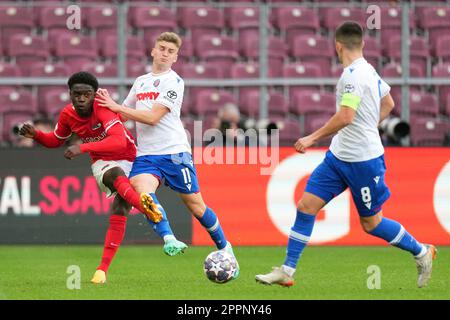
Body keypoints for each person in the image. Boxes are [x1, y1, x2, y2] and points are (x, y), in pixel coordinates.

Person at [255, 21, 436, 288]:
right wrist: (369, 126)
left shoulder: (352, 75)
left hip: (364, 161)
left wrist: (312, 137)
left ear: (337, 45)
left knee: (371, 224)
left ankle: (422, 251)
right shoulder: (369, 70)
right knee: (306, 206)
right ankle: (287, 270)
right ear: (362, 43)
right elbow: (389, 103)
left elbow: (347, 115)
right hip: (338, 157)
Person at [96, 32, 239, 278]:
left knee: (196, 206)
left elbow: (152, 117)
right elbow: (123, 114)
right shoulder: (141, 81)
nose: (165, 53)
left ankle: (226, 248)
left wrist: (117, 107)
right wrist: (100, 122)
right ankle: (169, 238)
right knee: (143, 194)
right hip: (147, 156)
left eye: (170, 51)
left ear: (175, 57)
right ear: (153, 50)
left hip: (175, 153)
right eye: (161, 48)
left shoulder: (174, 82)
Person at [19, 71, 184, 285]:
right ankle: (147, 209)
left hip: (133, 157)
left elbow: (119, 142)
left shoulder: (103, 109)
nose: (81, 99)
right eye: (76, 94)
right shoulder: (67, 115)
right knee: (115, 176)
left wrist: (82, 147)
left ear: (94, 94)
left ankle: (104, 269)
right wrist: (37, 136)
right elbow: (55, 140)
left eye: (86, 94)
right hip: (103, 162)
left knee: (120, 208)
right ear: (70, 94)